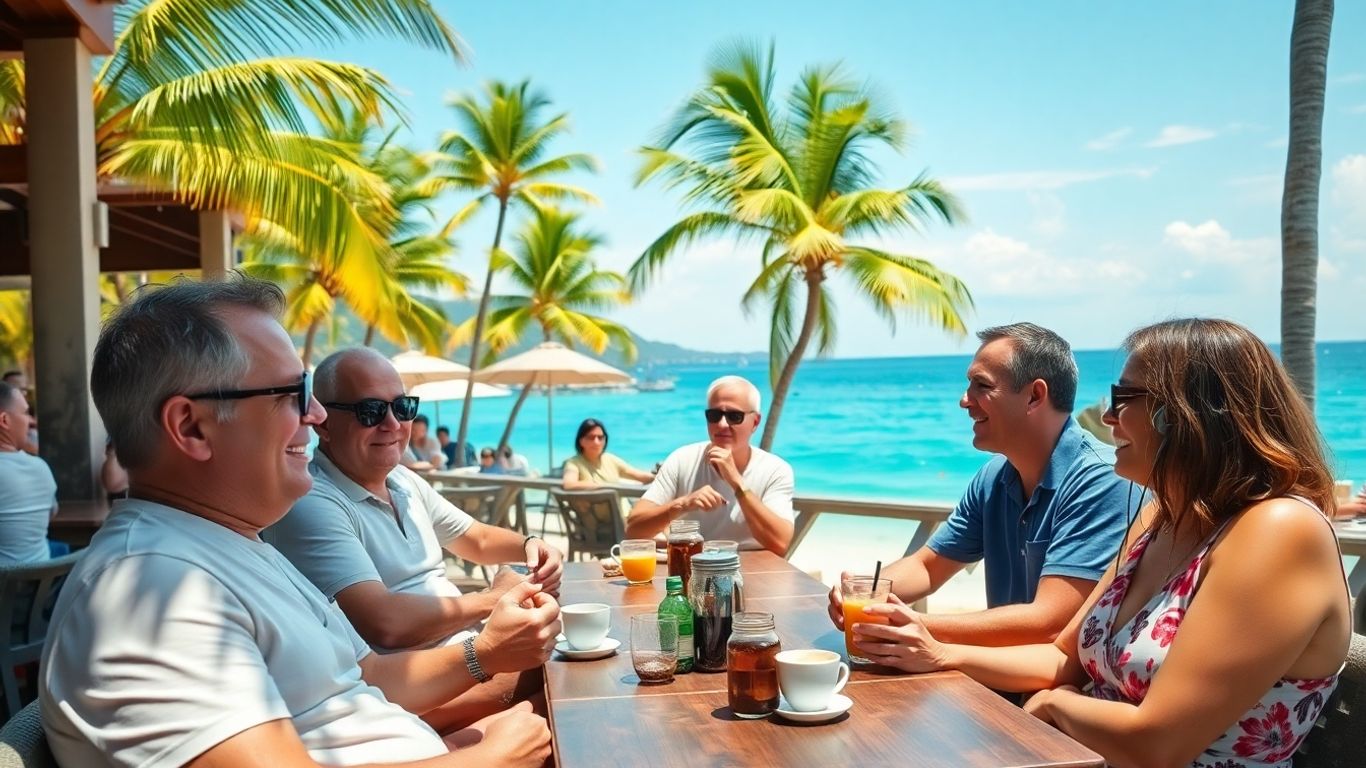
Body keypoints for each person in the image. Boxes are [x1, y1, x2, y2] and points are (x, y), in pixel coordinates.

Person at [41, 277, 555, 768]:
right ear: (191, 426)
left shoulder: (233, 544)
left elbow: (368, 676)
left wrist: (484, 651)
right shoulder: (151, 592)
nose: (315, 414)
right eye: (292, 392)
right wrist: (489, 759)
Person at [851, 319, 1351, 767]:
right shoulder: (1158, 517)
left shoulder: (1279, 531)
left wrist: (1052, 705)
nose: (1107, 417)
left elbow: (1156, 746)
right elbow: (1059, 658)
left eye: (1124, 398)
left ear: (1188, 414)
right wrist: (938, 655)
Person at [265, 347, 564, 731]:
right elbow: (383, 622)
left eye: (403, 407)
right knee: (566, 687)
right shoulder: (314, 503)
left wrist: (533, 544)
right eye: (370, 411)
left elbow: (477, 539)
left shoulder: (403, 481)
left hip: (464, 651)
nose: (392, 423)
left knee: (575, 675)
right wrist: (495, 599)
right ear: (323, 423)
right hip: (410, 688)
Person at [828, 323, 1133, 649]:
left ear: (1034, 396)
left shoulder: (1103, 481)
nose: (964, 400)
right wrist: (866, 598)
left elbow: (1051, 623)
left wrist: (913, 625)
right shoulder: (994, 477)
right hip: (1003, 684)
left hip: (1064, 695)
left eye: (981, 385)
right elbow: (928, 567)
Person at [627, 375, 795, 555]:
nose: (722, 424)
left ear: (755, 422)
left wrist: (737, 483)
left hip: (755, 570)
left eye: (734, 416)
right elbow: (633, 530)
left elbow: (779, 543)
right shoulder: (682, 460)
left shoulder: (775, 470)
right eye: (714, 415)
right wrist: (683, 504)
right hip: (692, 570)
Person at [0, 380, 57, 563]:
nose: (32, 421)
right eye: (26, 413)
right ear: (4, 420)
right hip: (39, 588)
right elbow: (51, 514)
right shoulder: (41, 468)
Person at [562, 418, 654, 488]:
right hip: (592, 513)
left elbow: (640, 476)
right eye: (591, 437)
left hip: (623, 512)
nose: (596, 442)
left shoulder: (610, 459)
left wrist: (660, 476)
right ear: (581, 441)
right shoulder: (574, 463)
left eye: (600, 437)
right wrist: (600, 486)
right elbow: (569, 484)